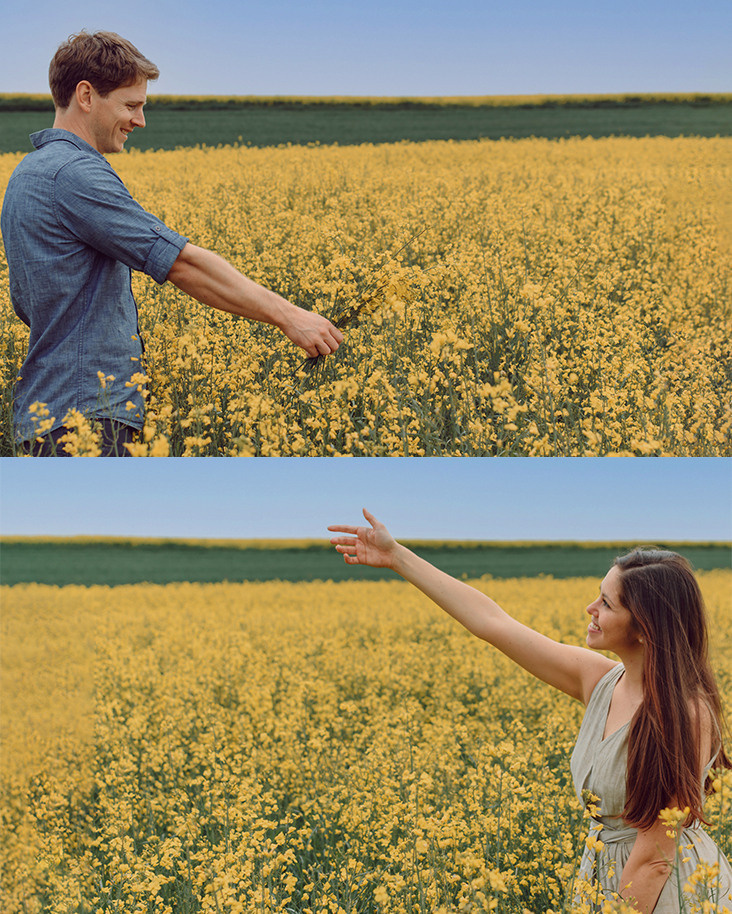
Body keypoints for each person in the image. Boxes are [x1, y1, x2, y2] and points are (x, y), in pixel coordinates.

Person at [328, 509, 732, 913]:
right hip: (607, 879)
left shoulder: (685, 715)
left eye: (606, 603)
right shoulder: (599, 680)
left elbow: (653, 861)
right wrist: (397, 557)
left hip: (665, 892)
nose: (590, 607)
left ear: (643, 627)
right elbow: (493, 623)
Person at [1, 31, 343, 456]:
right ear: (86, 96)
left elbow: (28, 304)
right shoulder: (73, 174)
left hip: (44, 414)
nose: (140, 121)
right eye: (131, 105)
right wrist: (290, 316)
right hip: (86, 416)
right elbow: (180, 263)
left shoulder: (26, 175)